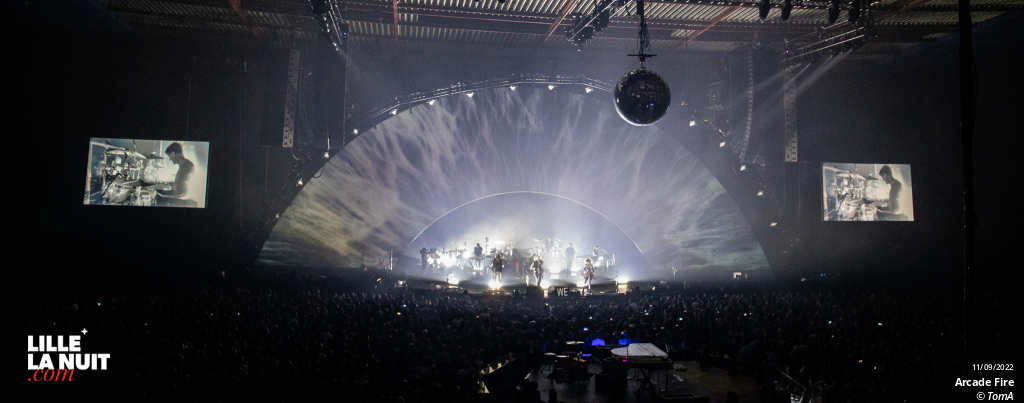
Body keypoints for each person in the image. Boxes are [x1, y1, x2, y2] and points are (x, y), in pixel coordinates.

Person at [157, 142, 197, 207]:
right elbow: (181, 185)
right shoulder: (183, 165)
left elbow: (185, 194)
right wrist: (171, 183)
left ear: (173, 154)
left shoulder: (188, 167)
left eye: (169, 156)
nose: (169, 159)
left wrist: (163, 196)